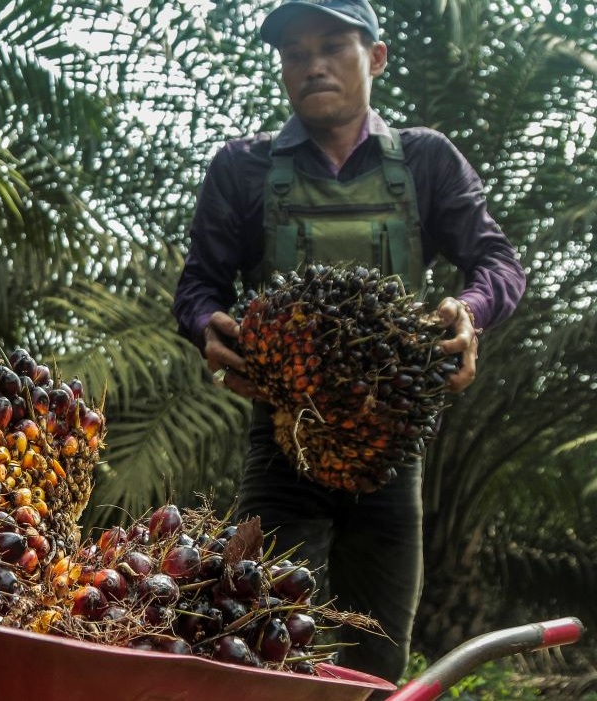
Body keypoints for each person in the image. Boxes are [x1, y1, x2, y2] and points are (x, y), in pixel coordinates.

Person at [171, 0, 526, 687]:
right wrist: (206, 327)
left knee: (377, 663)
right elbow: (198, 290)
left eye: (333, 45)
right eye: (295, 53)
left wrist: (470, 310)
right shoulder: (241, 170)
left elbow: (499, 265)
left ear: (377, 57)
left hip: (391, 453)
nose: (314, 64)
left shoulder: (425, 161)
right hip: (281, 445)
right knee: (253, 644)